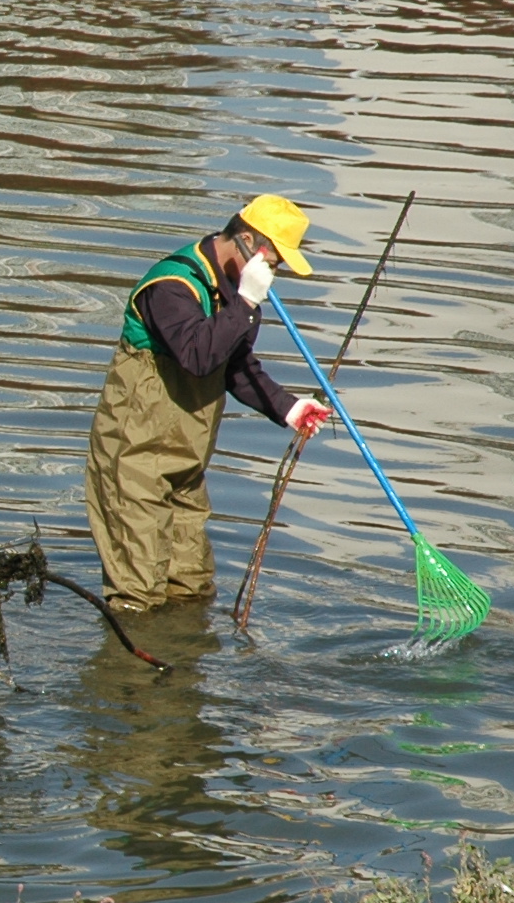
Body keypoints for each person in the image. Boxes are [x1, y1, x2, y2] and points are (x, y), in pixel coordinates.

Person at [84, 194, 334, 613]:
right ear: (250, 244)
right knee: (138, 597)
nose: (274, 275)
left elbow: (231, 364)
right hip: (134, 461)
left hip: (184, 462)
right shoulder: (171, 286)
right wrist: (248, 303)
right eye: (275, 265)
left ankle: (182, 668)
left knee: (191, 591)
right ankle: (127, 673)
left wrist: (288, 407)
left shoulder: (232, 292)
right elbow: (198, 357)